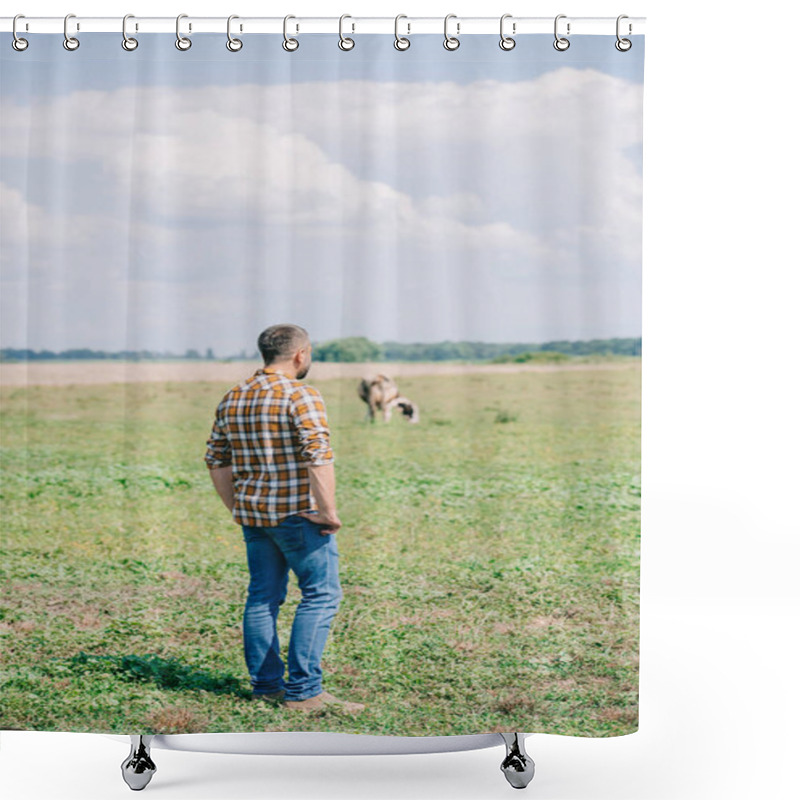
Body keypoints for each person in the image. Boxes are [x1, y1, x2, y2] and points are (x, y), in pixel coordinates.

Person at [204, 323, 364, 713]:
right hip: (299, 516)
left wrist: (238, 508)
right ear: (300, 354)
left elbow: (216, 459)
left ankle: (267, 687)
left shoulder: (234, 397)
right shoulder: (301, 394)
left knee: (262, 598)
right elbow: (318, 454)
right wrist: (328, 511)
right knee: (320, 595)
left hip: (255, 517)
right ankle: (305, 692)